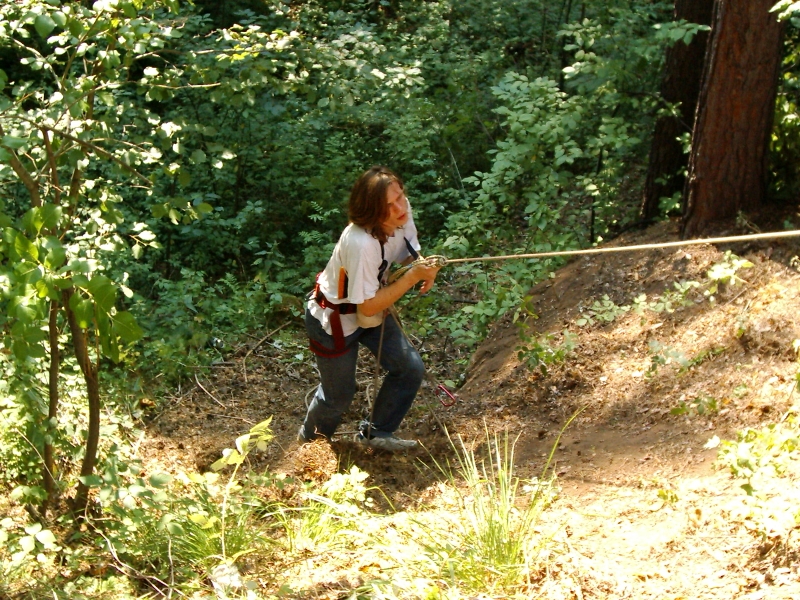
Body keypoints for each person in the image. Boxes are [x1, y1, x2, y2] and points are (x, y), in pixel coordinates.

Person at [298, 166, 441, 452]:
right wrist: (412, 277)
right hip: (334, 321)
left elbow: (407, 254)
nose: (400, 207)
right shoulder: (361, 242)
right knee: (338, 396)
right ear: (372, 211)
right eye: (390, 204)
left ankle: (376, 432)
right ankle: (310, 447)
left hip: (372, 310)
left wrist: (423, 267)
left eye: (400, 196)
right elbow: (368, 304)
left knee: (409, 368)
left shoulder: (400, 213)